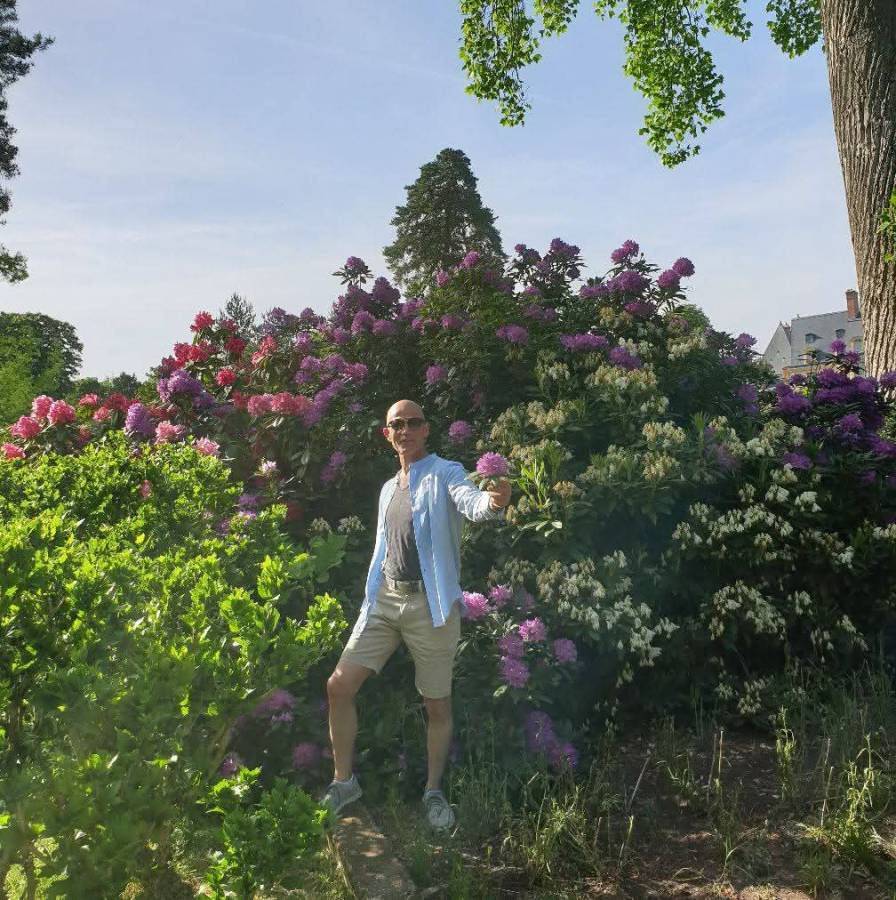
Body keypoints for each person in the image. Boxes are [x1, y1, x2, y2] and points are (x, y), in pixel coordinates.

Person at [322, 399, 511, 829]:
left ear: (426, 429)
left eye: (413, 423)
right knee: (338, 686)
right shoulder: (389, 488)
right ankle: (344, 782)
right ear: (387, 434)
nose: (405, 430)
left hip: (431, 606)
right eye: (397, 424)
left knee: (437, 705)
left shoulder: (446, 473)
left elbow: (471, 502)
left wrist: (494, 501)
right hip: (384, 601)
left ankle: (433, 792)